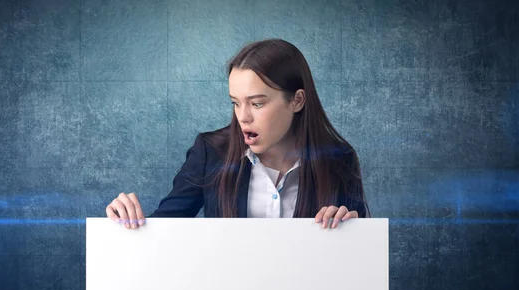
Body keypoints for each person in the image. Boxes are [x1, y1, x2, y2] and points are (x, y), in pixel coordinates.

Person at [106, 38, 370, 230]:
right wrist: (125, 217)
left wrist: (351, 228)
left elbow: (358, 259)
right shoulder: (211, 153)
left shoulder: (339, 160)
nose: (243, 116)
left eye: (257, 103)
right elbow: (163, 229)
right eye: (236, 102)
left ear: (297, 101)